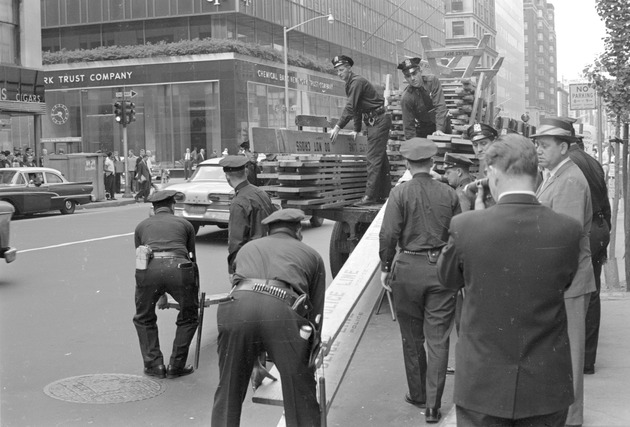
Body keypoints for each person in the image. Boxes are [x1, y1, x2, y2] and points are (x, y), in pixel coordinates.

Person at [437, 134, 580, 427]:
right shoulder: (567, 230)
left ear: (491, 174)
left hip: (482, 387)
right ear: (537, 173)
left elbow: (447, 279)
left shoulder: (466, 226)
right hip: (546, 386)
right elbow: (564, 283)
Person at [211, 209, 326, 427]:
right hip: (281, 309)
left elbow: (250, 303)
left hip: (235, 307)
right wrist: (312, 350)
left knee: (228, 388)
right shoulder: (311, 255)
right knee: (299, 389)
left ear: (268, 230)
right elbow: (315, 315)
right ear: (298, 230)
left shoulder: (246, 249)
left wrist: (253, 359)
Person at [379, 137, 460, 424]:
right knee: (438, 339)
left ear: (406, 164)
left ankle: (418, 394)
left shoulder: (399, 194)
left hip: (408, 268)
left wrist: (386, 266)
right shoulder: (449, 193)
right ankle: (434, 407)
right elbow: (458, 233)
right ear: (433, 163)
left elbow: (389, 234)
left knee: (412, 337)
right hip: (441, 270)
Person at [532, 117, 596, 427]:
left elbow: (566, 239)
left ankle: (572, 418)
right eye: (537, 145)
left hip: (568, 281)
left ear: (563, 147)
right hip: (565, 280)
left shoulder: (569, 179)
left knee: (571, 353)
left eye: (544, 146)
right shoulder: (554, 175)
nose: (539, 151)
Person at [133, 190, 199, 379]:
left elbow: (140, 258)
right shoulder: (185, 224)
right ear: (172, 206)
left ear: (153, 209)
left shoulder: (141, 226)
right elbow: (192, 258)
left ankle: (154, 365)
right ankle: (176, 365)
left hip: (148, 270)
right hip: (179, 268)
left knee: (143, 317)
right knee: (189, 316)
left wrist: (157, 293)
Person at [569, 137, 611, 375]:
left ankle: (578, 358)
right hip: (599, 226)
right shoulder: (593, 162)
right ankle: (587, 360)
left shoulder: (568, 164)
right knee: (593, 294)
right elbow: (605, 201)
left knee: (577, 291)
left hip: (585, 229)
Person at [329, 55, 391, 206]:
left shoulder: (356, 82)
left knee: (372, 159)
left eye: (342, 69)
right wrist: (356, 129)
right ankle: (384, 195)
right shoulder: (350, 83)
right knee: (380, 159)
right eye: (337, 71)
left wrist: (338, 126)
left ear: (349, 68)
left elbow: (350, 106)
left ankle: (370, 196)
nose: (339, 73)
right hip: (374, 121)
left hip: (378, 120)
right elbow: (356, 108)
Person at [219, 155, 276, 274]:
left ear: (227, 177)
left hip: (252, 262)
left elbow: (236, 241)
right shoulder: (261, 192)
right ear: (245, 173)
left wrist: (232, 270)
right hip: (270, 255)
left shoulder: (238, 202)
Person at [398, 57, 449, 138]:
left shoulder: (432, 82)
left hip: (442, 124)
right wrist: (412, 144)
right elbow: (408, 125)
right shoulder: (406, 98)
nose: (412, 78)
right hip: (424, 128)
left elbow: (440, 106)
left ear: (420, 71)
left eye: (414, 73)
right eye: (408, 76)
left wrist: (439, 129)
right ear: (405, 78)